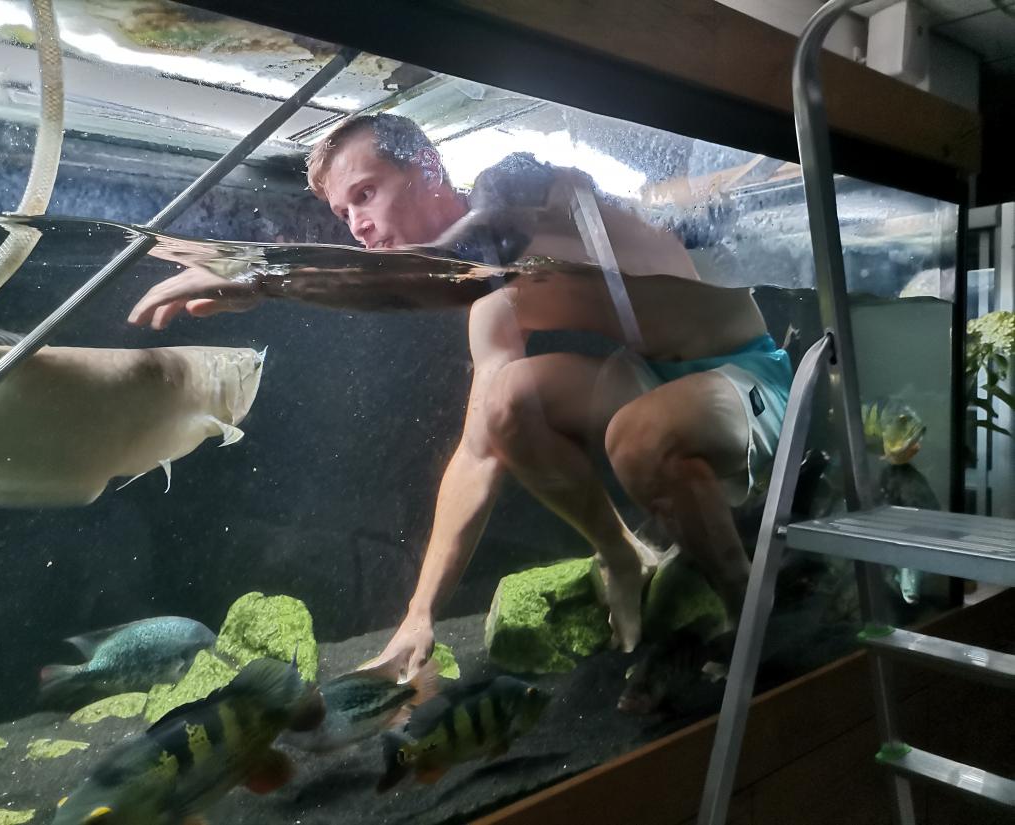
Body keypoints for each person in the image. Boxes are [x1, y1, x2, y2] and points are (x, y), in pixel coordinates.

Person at [128, 113, 792, 682]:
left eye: (366, 193)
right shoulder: (491, 304)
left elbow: (438, 273)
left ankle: (748, 608)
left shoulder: (520, 191)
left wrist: (266, 276)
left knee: (638, 436)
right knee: (507, 401)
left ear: (426, 166)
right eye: (343, 212)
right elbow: (480, 452)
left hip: (743, 373)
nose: (357, 224)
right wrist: (419, 615)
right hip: (650, 374)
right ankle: (621, 554)